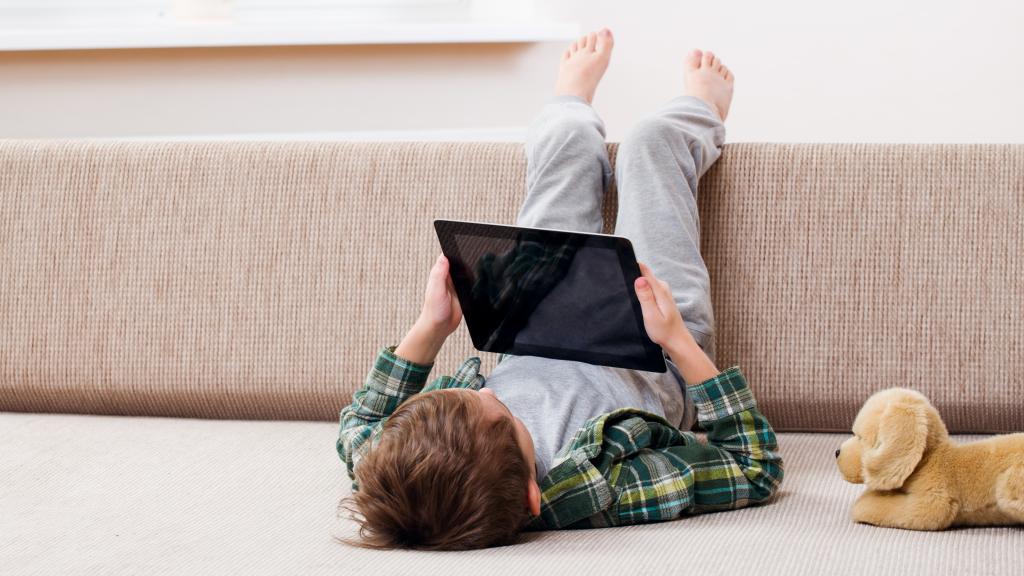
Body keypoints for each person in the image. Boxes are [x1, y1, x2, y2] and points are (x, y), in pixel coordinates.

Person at [336, 28, 784, 551]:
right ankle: (701, 109)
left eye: (475, 391)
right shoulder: (604, 491)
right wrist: (680, 341)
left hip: (535, 319)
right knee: (650, 144)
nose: (487, 390)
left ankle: (571, 104)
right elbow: (753, 467)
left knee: (566, 146)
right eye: (498, 407)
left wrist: (432, 327)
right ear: (532, 496)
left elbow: (362, 425)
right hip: (654, 344)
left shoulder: (398, 475)